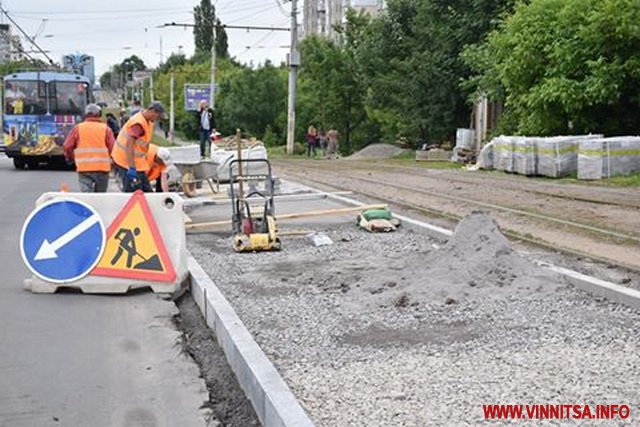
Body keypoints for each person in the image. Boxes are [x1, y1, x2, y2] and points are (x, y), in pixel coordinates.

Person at [111, 101, 167, 193]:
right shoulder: (138, 124)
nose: (157, 119)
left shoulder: (147, 122)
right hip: (125, 161)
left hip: (137, 162)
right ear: (152, 111)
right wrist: (131, 167)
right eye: (157, 116)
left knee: (146, 192)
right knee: (134, 193)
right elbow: (129, 145)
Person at [63, 104, 115, 192]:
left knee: (87, 196)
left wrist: (70, 158)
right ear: (99, 114)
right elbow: (113, 148)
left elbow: (67, 146)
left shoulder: (78, 128)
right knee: (100, 197)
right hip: (102, 169)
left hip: (84, 169)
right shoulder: (106, 129)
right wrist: (113, 162)